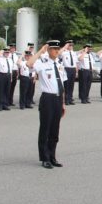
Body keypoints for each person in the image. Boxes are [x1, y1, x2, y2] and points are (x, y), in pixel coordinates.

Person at [26, 40, 67, 169]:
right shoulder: (42, 63)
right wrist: (40, 51)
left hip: (58, 99)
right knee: (45, 129)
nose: (56, 51)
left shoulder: (60, 65)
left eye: (57, 49)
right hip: (47, 99)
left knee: (55, 130)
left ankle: (52, 156)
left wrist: (63, 103)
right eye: (54, 49)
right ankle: (44, 158)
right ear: (49, 50)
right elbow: (29, 63)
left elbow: (62, 85)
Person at [61, 40, 78, 105]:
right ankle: (66, 99)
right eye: (69, 45)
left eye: (72, 45)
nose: (71, 46)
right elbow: (59, 54)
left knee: (71, 85)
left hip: (73, 69)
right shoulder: (64, 52)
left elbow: (76, 62)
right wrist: (65, 47)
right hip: (66, 69)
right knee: (66, 85)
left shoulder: (73, 53)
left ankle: (70, 99)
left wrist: (76, 71)